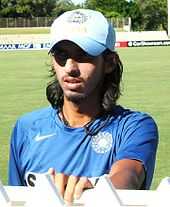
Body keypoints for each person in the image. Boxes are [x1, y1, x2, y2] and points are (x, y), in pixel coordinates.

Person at [8, 9, 158, 204]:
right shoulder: (26, 127)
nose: (70, 67)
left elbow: (129, 175)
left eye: (83, 55)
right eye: (61, 55)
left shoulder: (134, 126)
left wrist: (100, 193)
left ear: (110, 62)